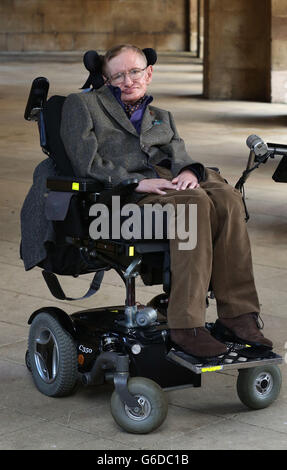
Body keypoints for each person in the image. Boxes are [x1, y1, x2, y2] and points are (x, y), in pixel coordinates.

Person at [60, 44, 272, 358]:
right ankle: (186, 325)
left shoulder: (161, 116)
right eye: (118, 75)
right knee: (193, 205)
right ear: (105, 79)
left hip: (168, 184)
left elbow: (179, 153)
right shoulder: (83, 105)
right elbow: (85, 162)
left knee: (227, 197)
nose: (128, 80)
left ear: (149, 73)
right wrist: (135, 181)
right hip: (121, 199)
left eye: (134, 72)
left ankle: (237, 315)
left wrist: (187, 170)